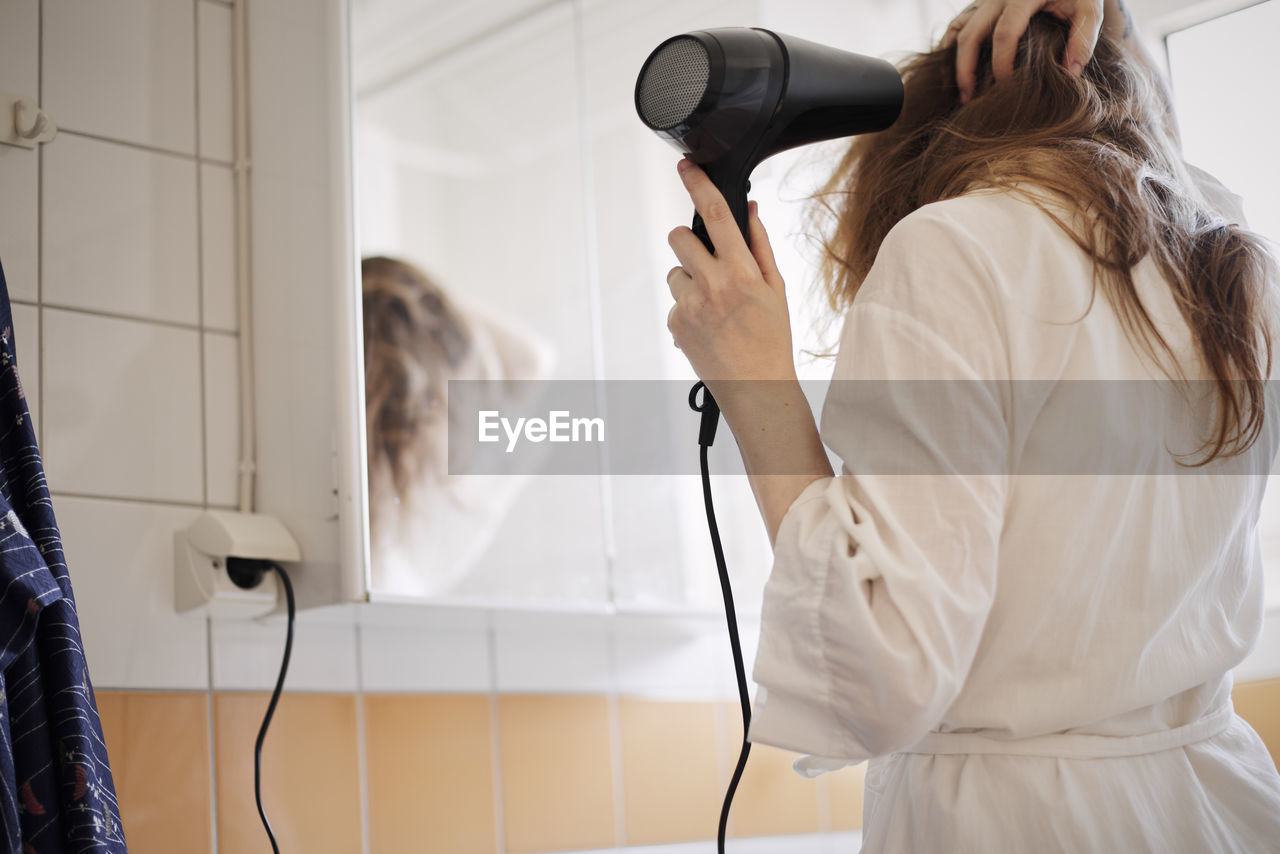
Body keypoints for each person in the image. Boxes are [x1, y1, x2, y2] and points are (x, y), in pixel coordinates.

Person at [663, 0, 1280, 850]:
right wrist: (1116, 29)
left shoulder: (953, 246)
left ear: (915, 143)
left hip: (1024, 824)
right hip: (1222, 799)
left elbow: (889, 669)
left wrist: (755, 385)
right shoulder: (1227, 270)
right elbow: (1167, 152)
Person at [363, 256, 553, 598]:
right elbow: (532, 359)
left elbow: (533, 360)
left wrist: (408, 300)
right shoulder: (429, 524)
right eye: (440, 405)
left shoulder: (437, 508)